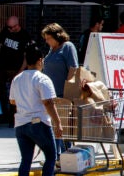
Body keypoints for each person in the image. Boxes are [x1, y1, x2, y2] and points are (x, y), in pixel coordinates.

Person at [10, 46, 63, 176]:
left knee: (26, 160)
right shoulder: (42, 79)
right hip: (39, 123)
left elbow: (12, 101)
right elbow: (48, 103)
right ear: (40, 60)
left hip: (21, 124)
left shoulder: (17, 79)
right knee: (51, 157)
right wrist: (58, 123)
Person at [40, 23, 78, 154]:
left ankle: (65, 155)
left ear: (57, 36)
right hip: (50, 94)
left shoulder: (67, 47)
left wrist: (68, 91)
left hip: (62, 94)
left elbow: (73, 69)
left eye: (48, 38)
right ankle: (57, 156)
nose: (47, 41)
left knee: (62, 128)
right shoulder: (52, 49)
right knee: (54, 126)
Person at [0, 15, 35, 126]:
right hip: (3, 68)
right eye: (8, 27)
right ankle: (3, 115)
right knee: (2, 93)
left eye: (11, 27)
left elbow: (26, 57)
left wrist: (19, 72)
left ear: (17, 25)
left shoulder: (24, 36)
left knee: (15, 95)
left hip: (16, 69)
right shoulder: (5, 31)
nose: (9, 29)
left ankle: (12, 119)